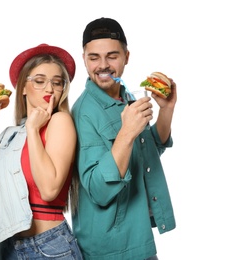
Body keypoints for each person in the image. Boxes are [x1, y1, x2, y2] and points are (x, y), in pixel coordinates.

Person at [70, 17, 177, 260]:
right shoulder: (83, 113)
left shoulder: (127, 96)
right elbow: (98, 189)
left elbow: (147, 150)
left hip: (137, 236)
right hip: (110, 247)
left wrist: (166, 110)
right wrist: (127, 132)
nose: (102, 65)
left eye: (112, 56)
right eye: (94, 57)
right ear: (84, 58)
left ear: (127, 57)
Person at [0, 43, 83, 260]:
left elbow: (49, 189)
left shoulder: (60, 122)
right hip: (8, 248)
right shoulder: (9, 136)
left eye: (57, 83)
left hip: (50, 247)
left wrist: (33, 128)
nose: (49, 89)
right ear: (22, 87)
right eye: (39, 81)